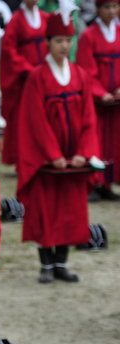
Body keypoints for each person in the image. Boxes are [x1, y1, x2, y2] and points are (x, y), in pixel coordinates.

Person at [17, 0, 100, 283]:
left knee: (69, 209)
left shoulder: (80, 76)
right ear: (48, 42)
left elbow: (89, 117)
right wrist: (53, 154)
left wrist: (83, 153)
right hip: (47, 160)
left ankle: (62, 263)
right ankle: (46, 265)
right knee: (45, 209)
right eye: (59, 40)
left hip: (73, 157)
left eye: (68, 40)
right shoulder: (38, 78)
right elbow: (36, 121)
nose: (65, 46)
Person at [76, 0, 120, 200]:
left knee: (114, 142)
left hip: (116, 102)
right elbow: (85, 70)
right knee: (96, 141)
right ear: (98, 9)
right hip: (97, 103)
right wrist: (100, 92)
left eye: (114, 6)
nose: (111, 11)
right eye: (106, 7)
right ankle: (94, 182)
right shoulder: (89, 35)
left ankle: (108, 183)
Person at [0, 0, 49, 167]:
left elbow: (52, 43)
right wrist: (28, 69)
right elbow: (9, 50)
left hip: (43, 77)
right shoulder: (15, 20)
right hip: (24, 80)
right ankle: (24, 159)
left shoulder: (45, 17)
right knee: (24, 121)